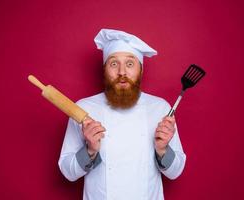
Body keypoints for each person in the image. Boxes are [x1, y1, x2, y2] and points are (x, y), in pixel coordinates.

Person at [58, 28, 186, 200]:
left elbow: (175, 172)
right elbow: (68, 172)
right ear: (104, 70)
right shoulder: (83, 109)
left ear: (141, 70)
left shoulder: (160, 108)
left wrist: (162, 150)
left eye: (130, 63)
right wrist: (89, 151)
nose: (122, 72)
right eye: (113, 63)